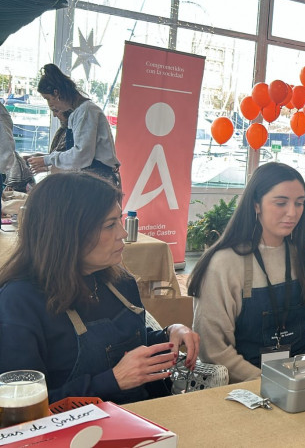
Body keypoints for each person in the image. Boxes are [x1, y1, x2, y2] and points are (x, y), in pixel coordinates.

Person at [0, 172, 199, 403]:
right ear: (68, 232)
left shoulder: (119, 282)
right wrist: (111, 381)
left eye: (120, 221)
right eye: (110, 224)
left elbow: (129, 345)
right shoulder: (18, 303)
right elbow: (19, 407)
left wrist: (168, 335)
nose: (123, 233)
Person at [189, 163, 305, 383]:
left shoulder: (300, 251)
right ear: (256, 204)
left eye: (299, 203)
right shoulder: (224, 263)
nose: (292, 213)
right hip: (246, 388)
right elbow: (214, 351)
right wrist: (271, 384)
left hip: (303, 379)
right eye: (281, 203)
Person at [27, 64, 120, 185]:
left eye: (48, 98)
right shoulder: (79, 113)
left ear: (56, 93)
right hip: (91, 178)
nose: (50, 105)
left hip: (98, 181)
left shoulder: (86, 111)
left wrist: (48, 160)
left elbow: (81, 156)